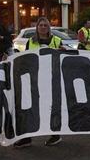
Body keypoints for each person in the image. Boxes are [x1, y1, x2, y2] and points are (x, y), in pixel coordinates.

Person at [16, 17, 62, 148]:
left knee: (51, 108)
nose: (43, 27)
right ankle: (27, 138)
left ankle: (55, 135)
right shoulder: (30, 42)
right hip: (34, 80)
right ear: (37, 27)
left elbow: (65, 58)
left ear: (49, 27)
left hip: (52, 80)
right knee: (31, 108)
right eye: (40, 25)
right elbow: (24, 59)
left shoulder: (57, 41)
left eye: (45, 25)